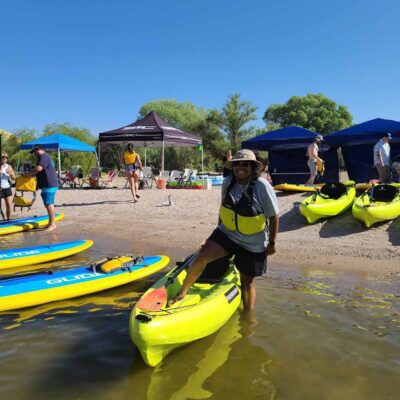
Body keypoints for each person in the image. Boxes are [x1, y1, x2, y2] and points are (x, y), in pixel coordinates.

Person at [170, 149, 279, 310]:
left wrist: (271, 243)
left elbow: (274, 216)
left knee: (247, 281)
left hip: (253, 241)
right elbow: (224, 209)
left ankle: (248, 316)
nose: (240, 167)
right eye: (236, 164)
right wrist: (215, 238)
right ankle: (181, 293)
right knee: (202, 256)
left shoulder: (262, 186)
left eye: (245, 164)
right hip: (228, 233)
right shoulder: (228, 182)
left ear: (253, 167)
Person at [22, 145, 59, 231]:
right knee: (48, 204)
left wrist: (27, 174)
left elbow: (38, 169)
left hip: (49, 185)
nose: (34, 154)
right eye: (33, 152)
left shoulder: (44, 157)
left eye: (35, 151)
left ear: (40, 149)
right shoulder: (43, 157)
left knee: (49, 204)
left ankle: (53, 224)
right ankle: (50, 223)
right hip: (47, 185)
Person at [1, 152, 16, 220]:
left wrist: (11, 173)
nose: (5, 158)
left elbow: (14, 178)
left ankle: (9, 220)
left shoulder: (9, 166)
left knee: (9, 205)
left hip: (7, 187)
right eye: (3, 157)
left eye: (6, 157)